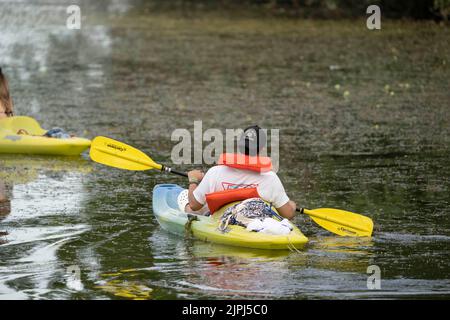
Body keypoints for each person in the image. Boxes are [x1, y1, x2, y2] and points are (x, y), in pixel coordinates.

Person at [186, 125, 297, 220]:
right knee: (288, 205)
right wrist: (292, 205)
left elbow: (194, 205)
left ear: (240, 145)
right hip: (256, 224)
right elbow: (288, 214)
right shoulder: (270, 178)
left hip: (222, 222)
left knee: (189, 208)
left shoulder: (216, 172)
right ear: (261, 148)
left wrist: (193, 180)